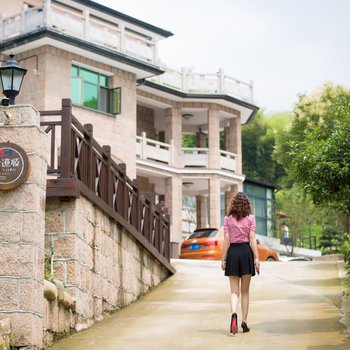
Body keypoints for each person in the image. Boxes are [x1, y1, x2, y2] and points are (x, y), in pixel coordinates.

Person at [221, 192, 260, 336]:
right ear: (247, 204)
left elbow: (226, 238)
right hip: (246, 253)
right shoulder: (251, 218)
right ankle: (244, 321)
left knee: (234, 291)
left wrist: (223, 258)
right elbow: (252, 238)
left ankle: (233, 314)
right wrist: (256, 258)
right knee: (245, 292)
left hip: (233, 253)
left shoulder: (227, 219)